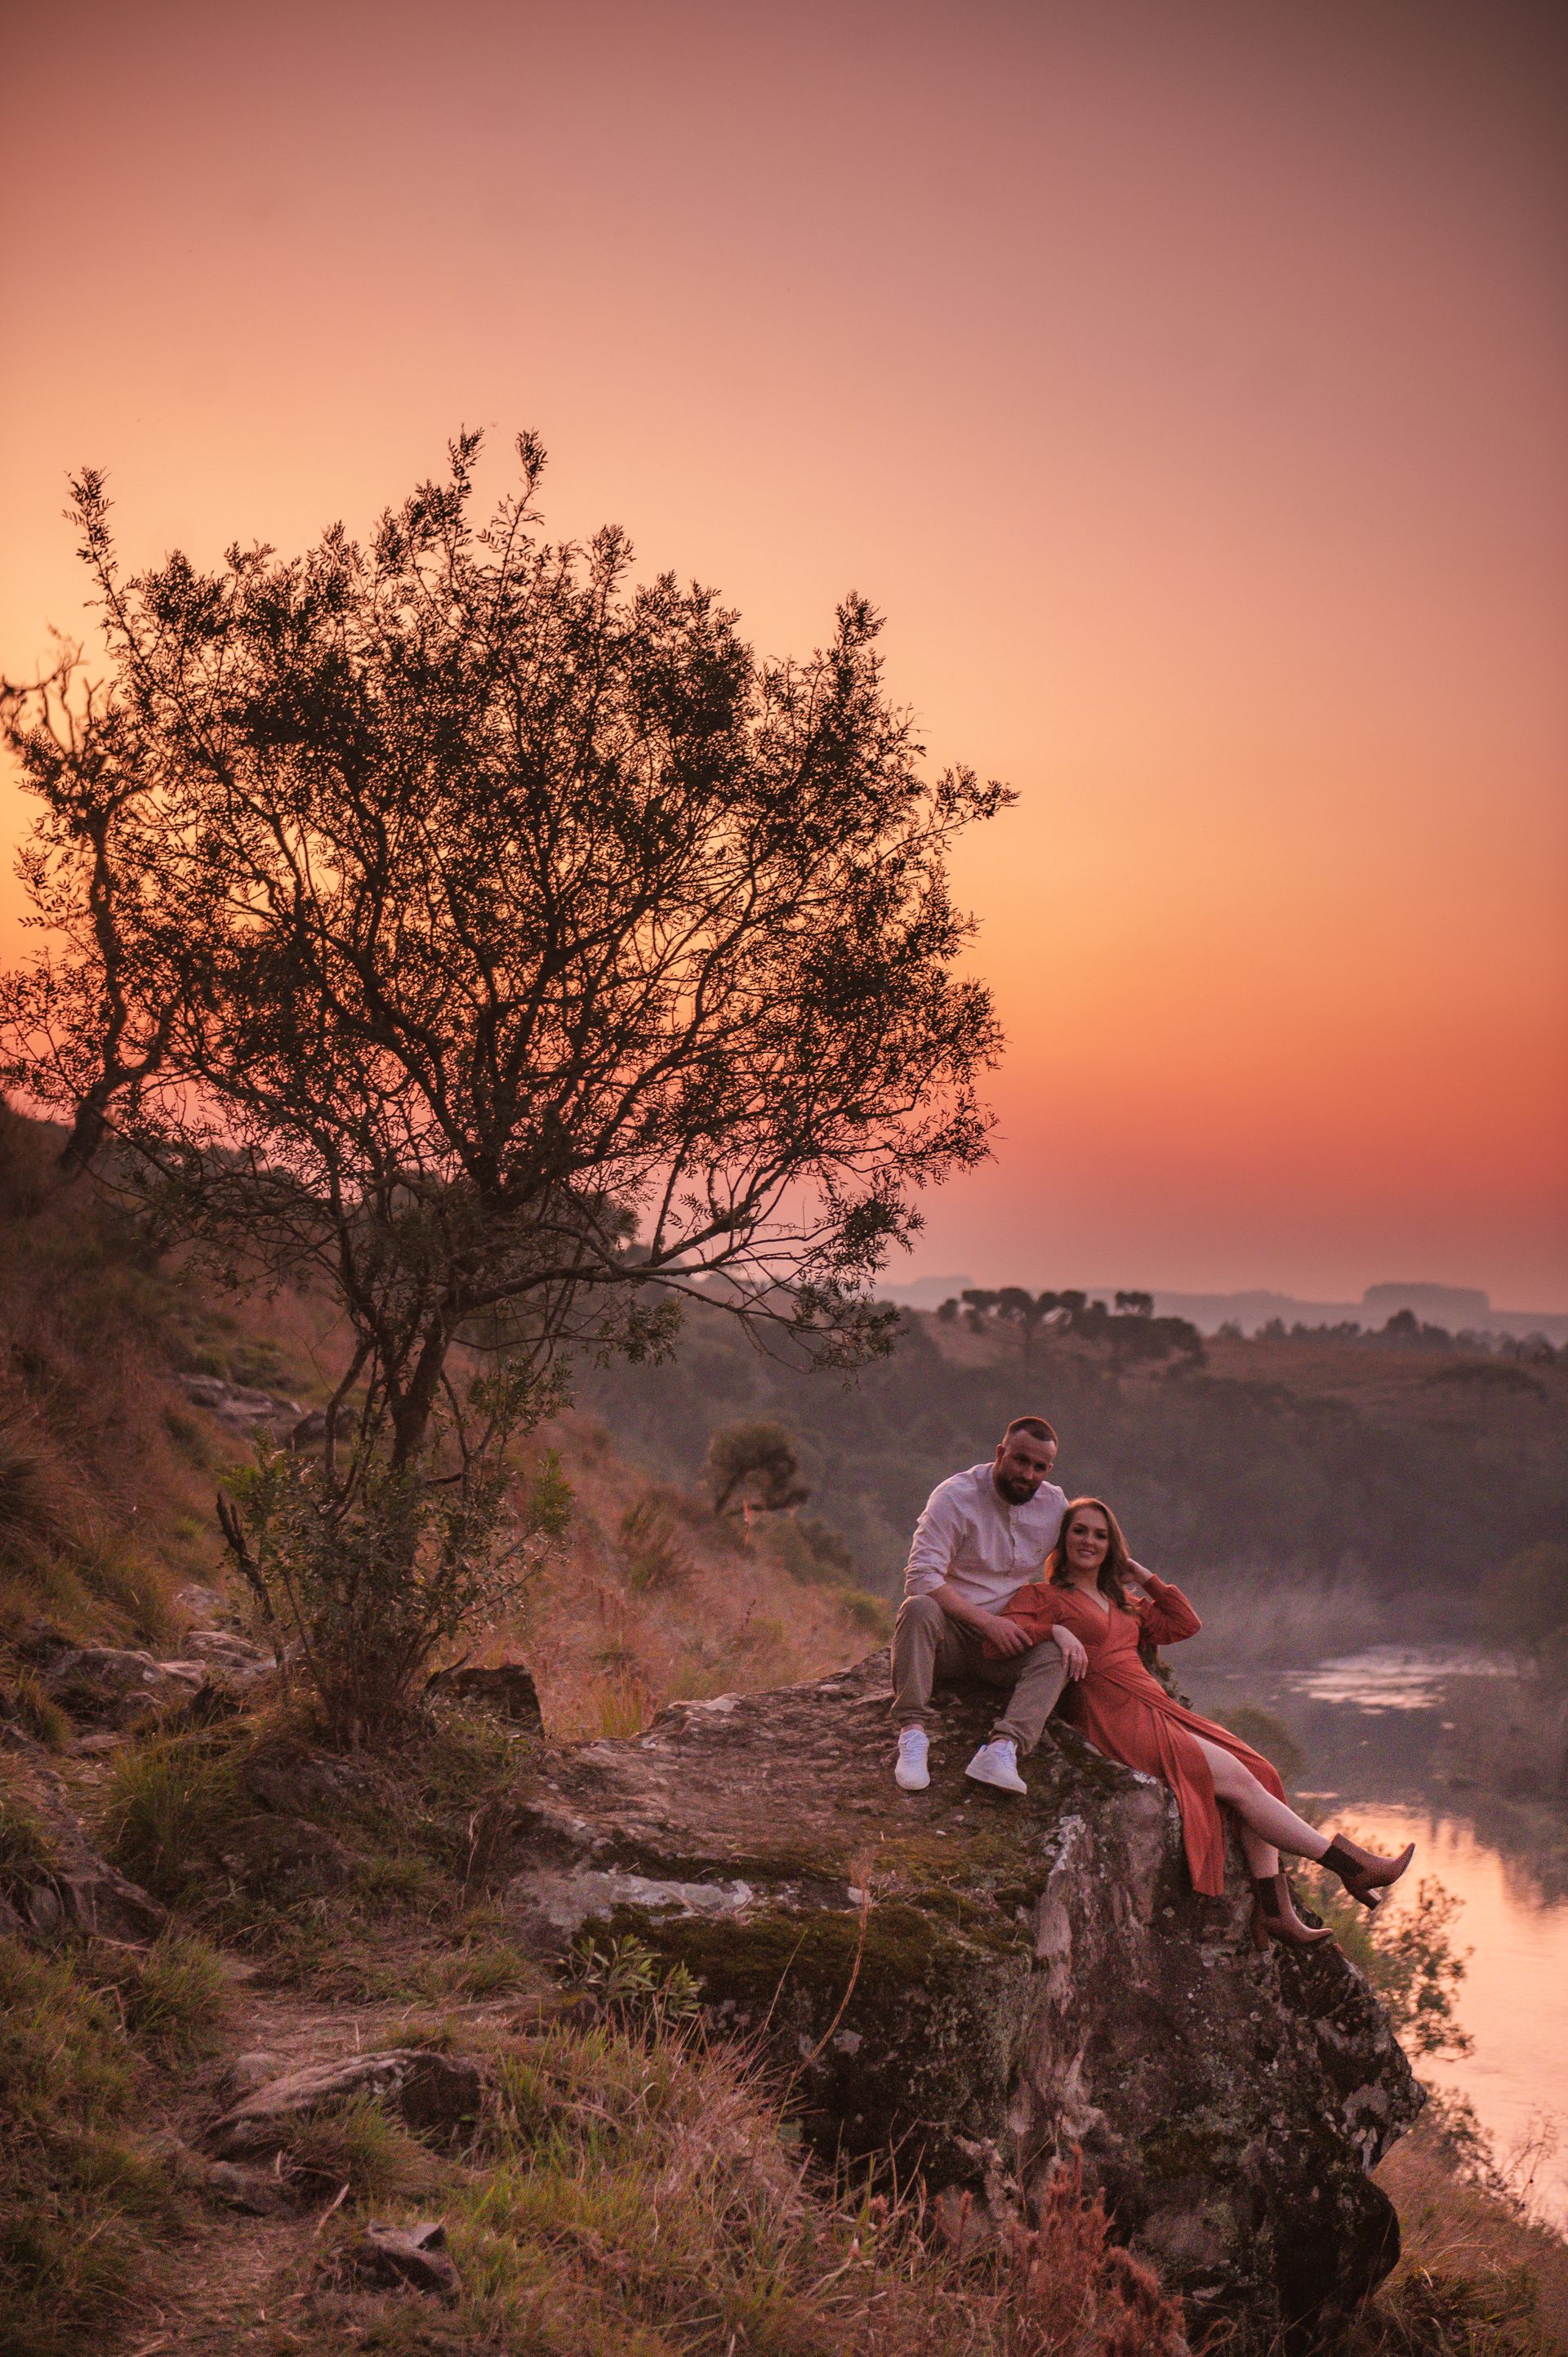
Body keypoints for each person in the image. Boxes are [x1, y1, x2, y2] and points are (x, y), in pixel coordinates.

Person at [994, 1497, 1414, 1945]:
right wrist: (1056, 1632)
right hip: (1113, 1713)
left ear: (1112, 1545)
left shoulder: (1125, 1602)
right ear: (1062, 1538)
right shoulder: (1044, 1596)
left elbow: (1184, 1623)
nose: (1089, 1541)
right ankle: (1352, 1867)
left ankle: (1276, 1913)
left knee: (1261, 1772)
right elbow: (1002, 1634)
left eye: (1101, 1535)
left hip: (1158, 1706)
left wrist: (1141, 1575)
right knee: (1237, 1782)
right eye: (1079, 1531)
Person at [890, 1416, 1094, 1797]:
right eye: (1020, 1460)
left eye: (1039, 1467)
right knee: (917, 1607)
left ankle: (1003, 1749)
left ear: (1049, 1469)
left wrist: (1060, 1627)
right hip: (946, 1636)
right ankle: (912, 1733)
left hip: (1005, 1644)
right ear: (1001, 1453)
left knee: (1058, 1654)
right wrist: (987, 1623)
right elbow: (920, 1576)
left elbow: (1081, 1561)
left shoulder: (1054, 1505)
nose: (1027, 1474)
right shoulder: (955, 1496)